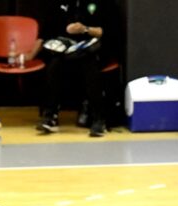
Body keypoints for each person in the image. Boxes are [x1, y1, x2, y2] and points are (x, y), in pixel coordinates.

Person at [29, 0, 121, 137]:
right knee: (54, 65)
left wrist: (85, 29)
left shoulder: (104, 4)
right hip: (66, 49)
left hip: (94, 49)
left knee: (90, 65)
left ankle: (99, 120)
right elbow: (45, 34)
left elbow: (106, 31)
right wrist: (29, 57)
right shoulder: (59, 5)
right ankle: (50, 116)